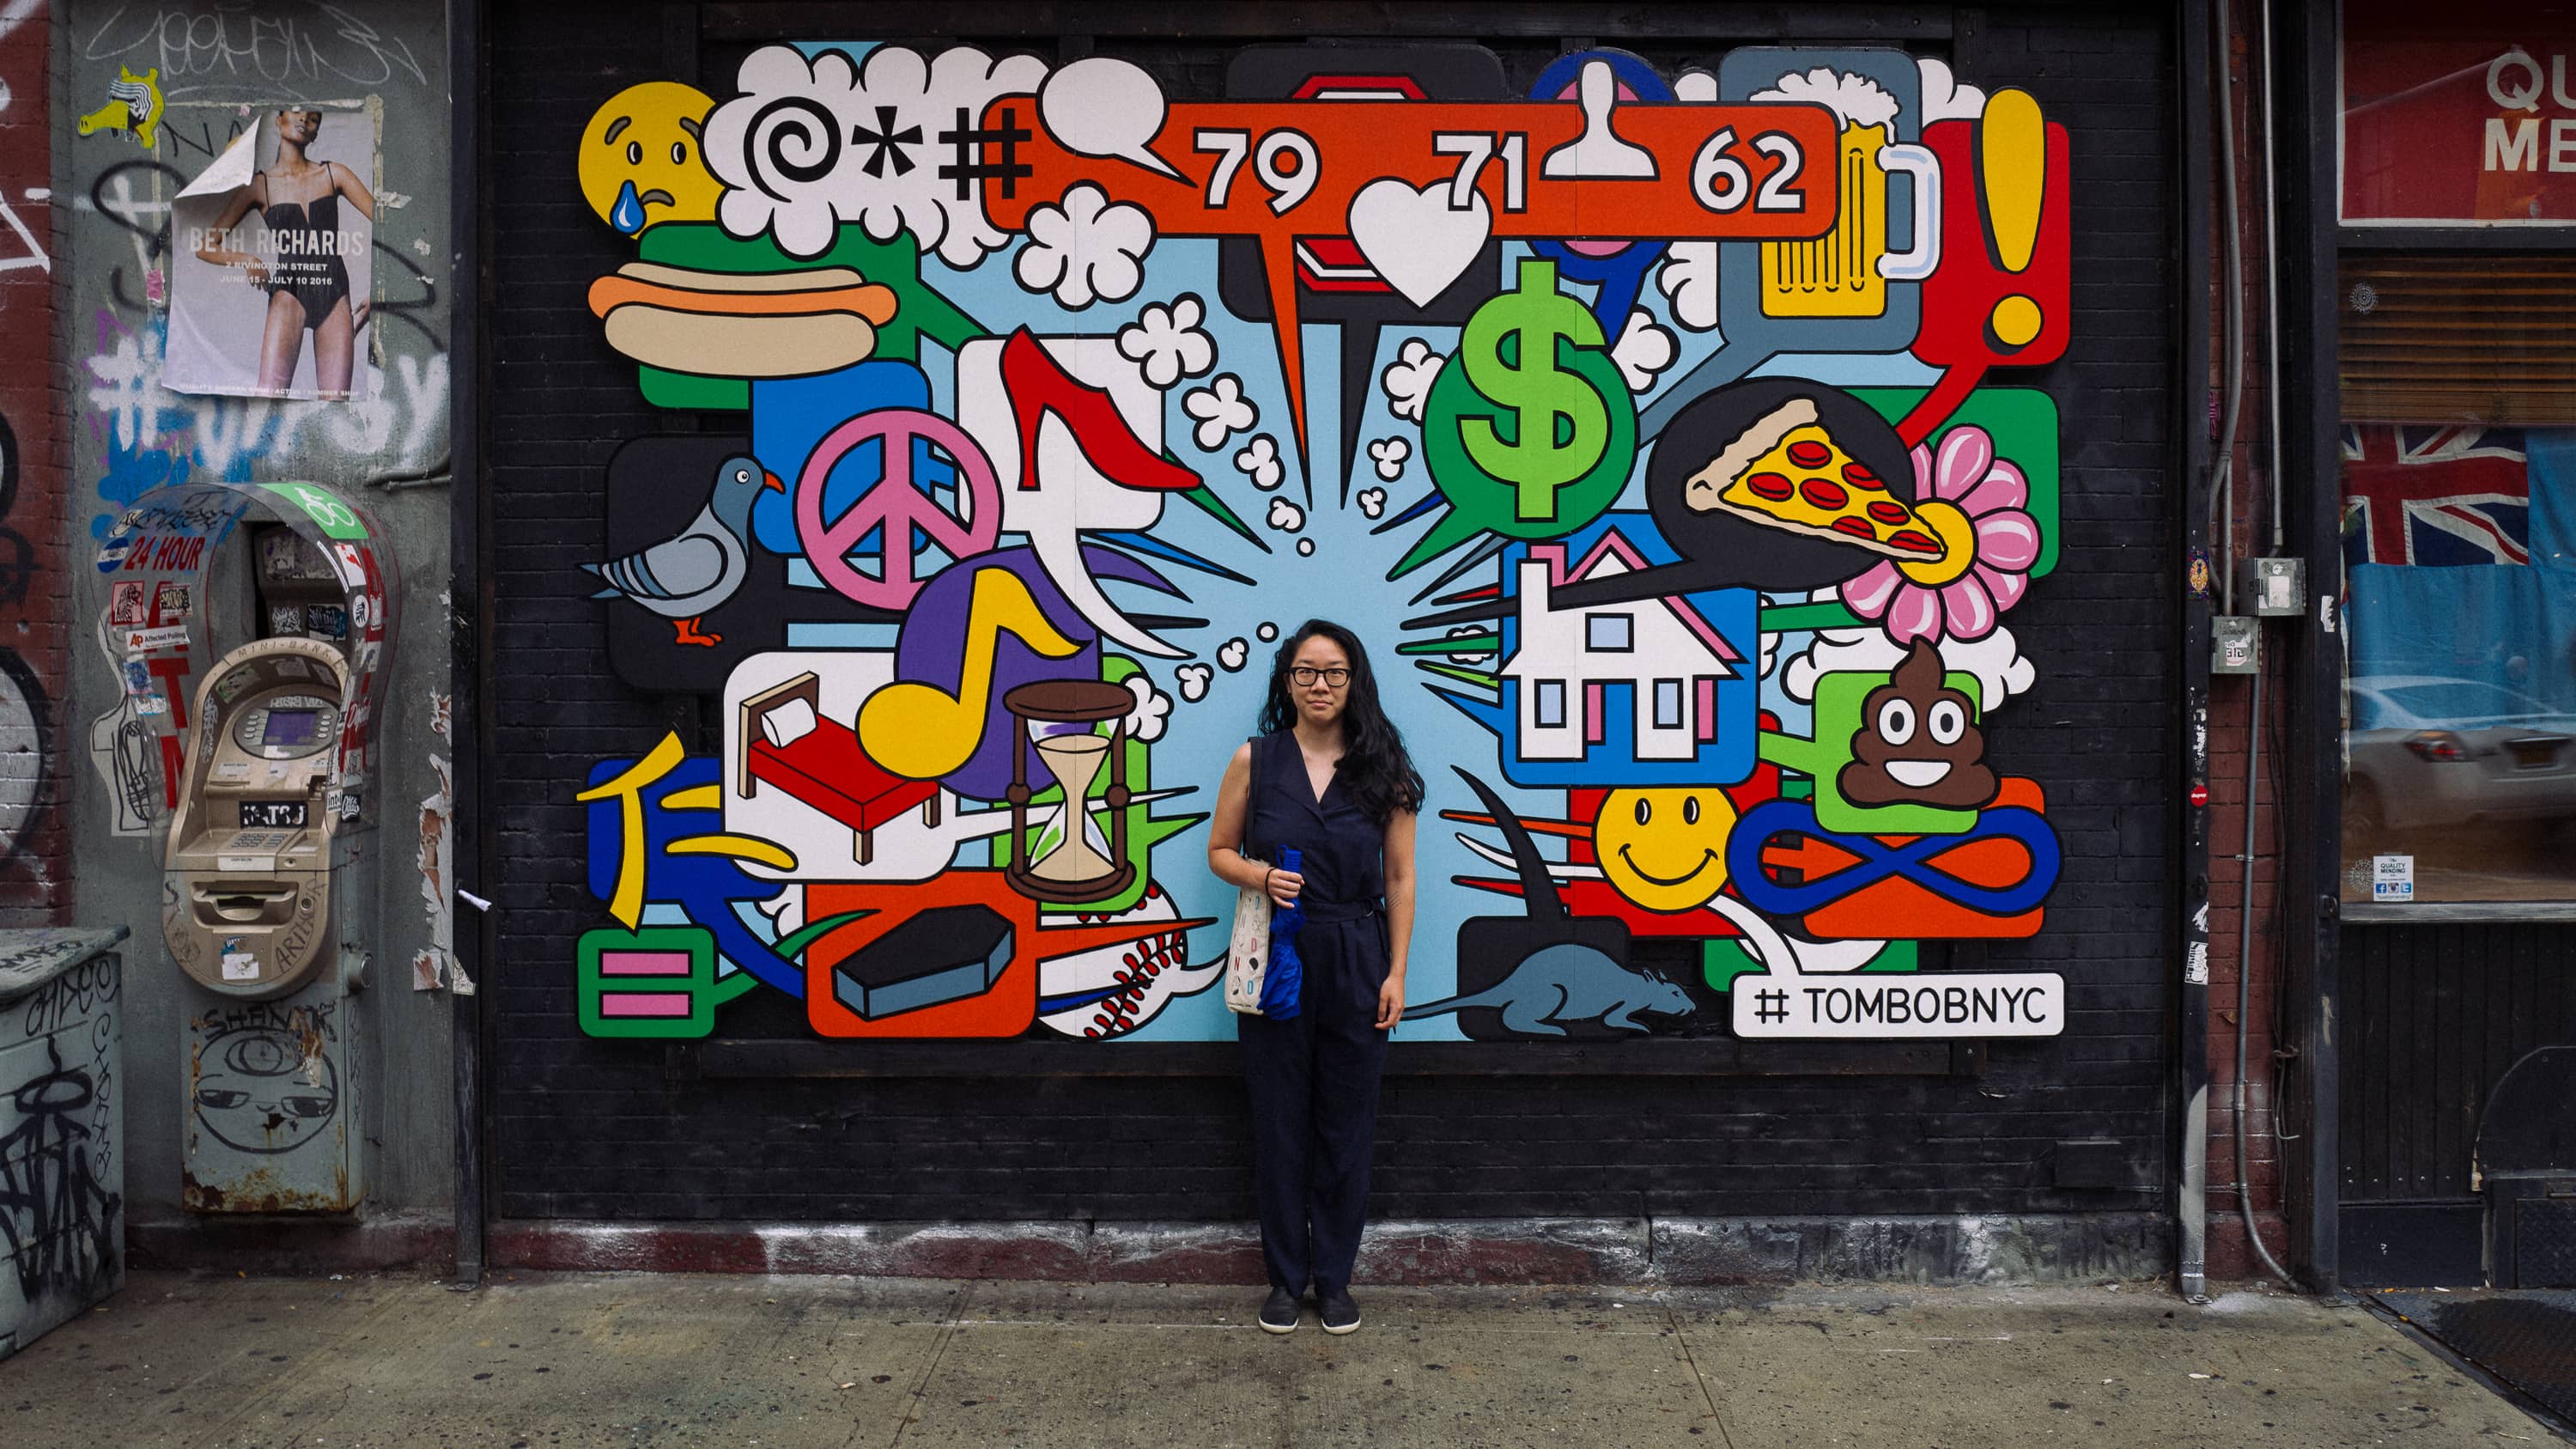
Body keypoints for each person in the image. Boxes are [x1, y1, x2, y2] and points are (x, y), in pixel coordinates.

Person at [1207, 620, 1421, 1336]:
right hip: (1280, 953)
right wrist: (1262, 874)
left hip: (1358, 952)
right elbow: (1218, 851)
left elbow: (1400, 876)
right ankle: (1284, 1279)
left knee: (1346, 1126)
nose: (1320, 685)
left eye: (1333, 672)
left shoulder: (1383, 767)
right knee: (1278, 1122)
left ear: (1355, 679)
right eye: (1305, 672)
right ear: (1286, 681)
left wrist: (1395, 971)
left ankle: (1334, 1280)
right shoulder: (1256, 759)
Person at [195, 107, 374, 398]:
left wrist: (381, 292)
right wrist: (246, 260)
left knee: (336, 405)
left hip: (334, 291)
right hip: (289, 293)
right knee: (269, 399)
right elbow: (205, 246)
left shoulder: (333, 173)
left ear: (316, 132)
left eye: (313, 117)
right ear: (278, 121)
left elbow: (390, 225)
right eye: (296, 112)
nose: (304, 119)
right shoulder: (259, 186)